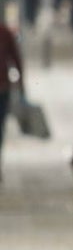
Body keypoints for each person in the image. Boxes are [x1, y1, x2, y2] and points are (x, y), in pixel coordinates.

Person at [0, 18, 23, 183]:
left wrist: (22, 85)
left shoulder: (5, 32)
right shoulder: (5, 32)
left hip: (2, 89)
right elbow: (16, 59)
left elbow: (15, 58)